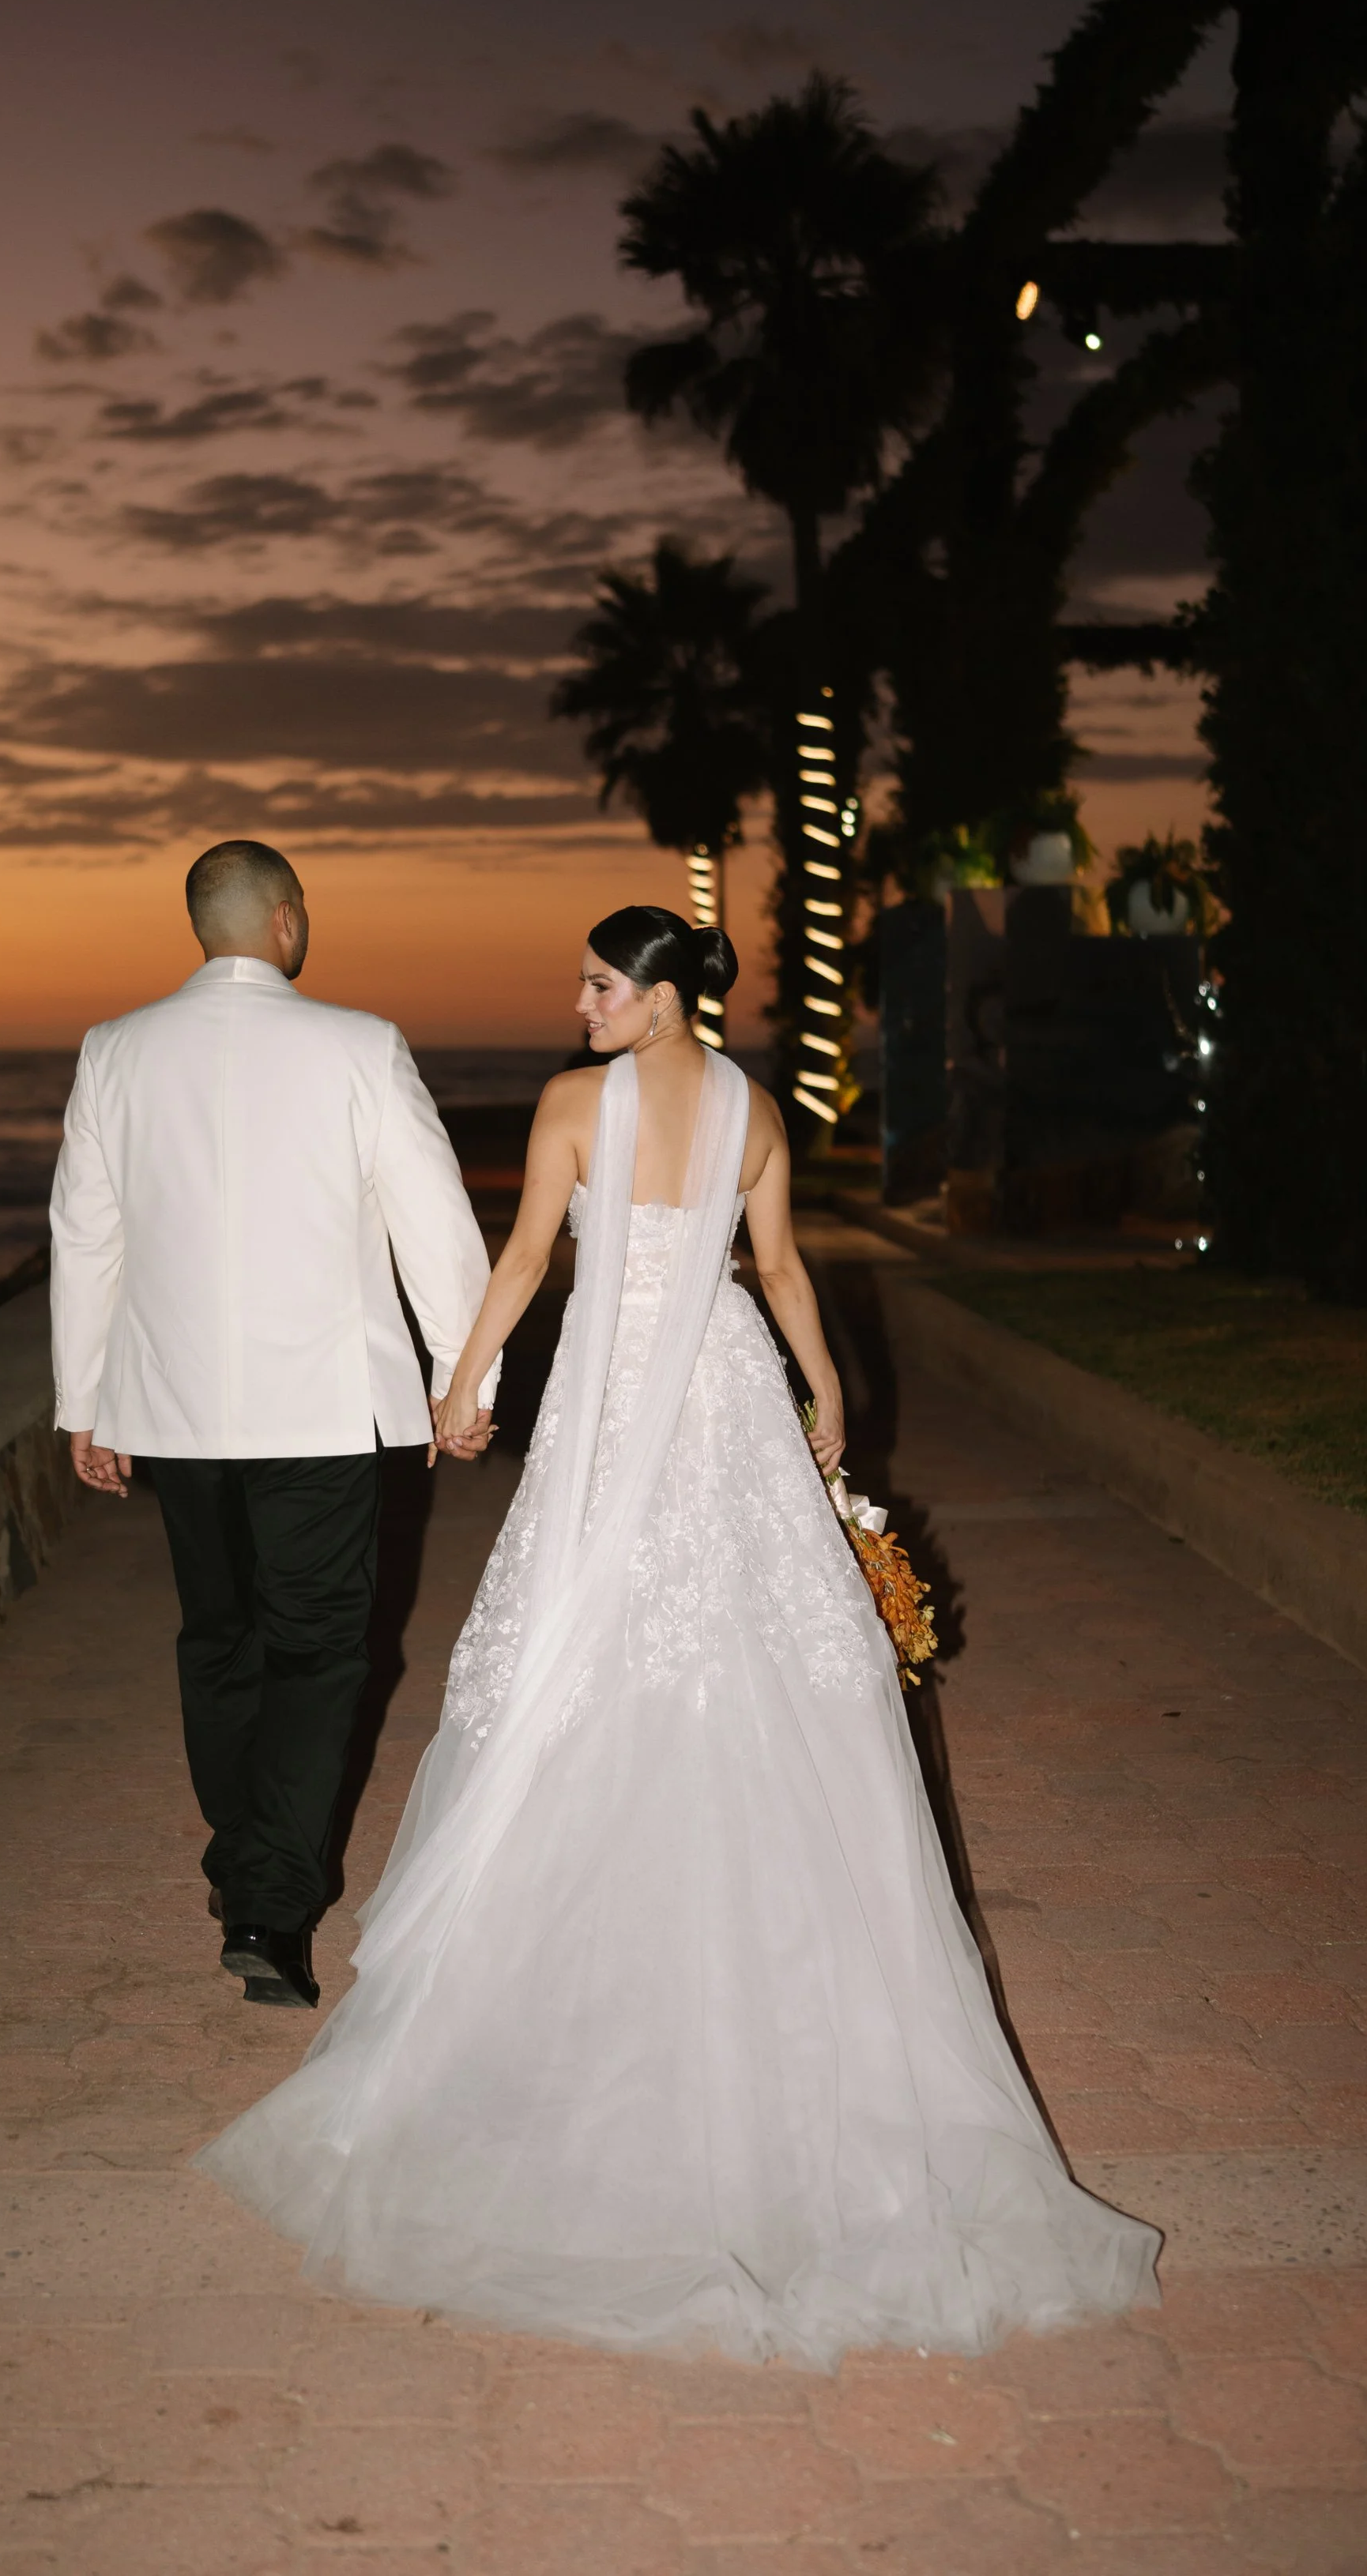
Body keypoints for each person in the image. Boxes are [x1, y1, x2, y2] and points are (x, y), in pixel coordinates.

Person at [194, 904, 1160, 2366]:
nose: (576, 1002)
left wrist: (467, 1387)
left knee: (596, 1645)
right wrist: (824, 1391)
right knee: (750, 1645)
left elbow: (526, 1266)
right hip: (723, 1389)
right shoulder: (757, 1110)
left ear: (655, 997)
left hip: (611, 1398)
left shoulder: (578, 1106)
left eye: (597, 983)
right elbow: (779, 1279)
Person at [50, 840, 496, 2011]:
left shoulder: (116, 1051)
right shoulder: (360, 1046)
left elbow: (86, 1236)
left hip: (177, 1410)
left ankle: (248, 1861)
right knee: (315, 1651)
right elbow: (434, 1224)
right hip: (323, 1409)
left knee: (220, 1638)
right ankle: (270, 1903)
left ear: (202, 926)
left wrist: (85, 1402)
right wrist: (464, 1377)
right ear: (289, 921)